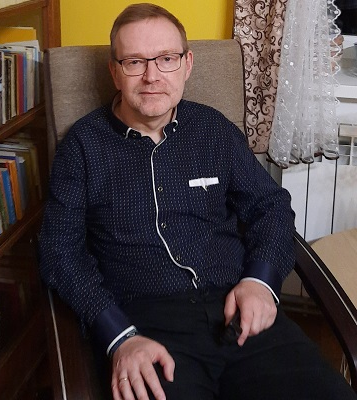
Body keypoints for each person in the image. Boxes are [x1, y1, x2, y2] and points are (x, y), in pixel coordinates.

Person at [39, 3, 357, 400]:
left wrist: (260, 282)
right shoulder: (82, 146)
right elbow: (60, 250)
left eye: (166, 59)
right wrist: (119, 337)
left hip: (241, 309)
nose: (152, 76)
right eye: (134, 62)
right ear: (114, 72)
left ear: (187, 64)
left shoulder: (214, 130)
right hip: (147, 327)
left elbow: (270, 206)